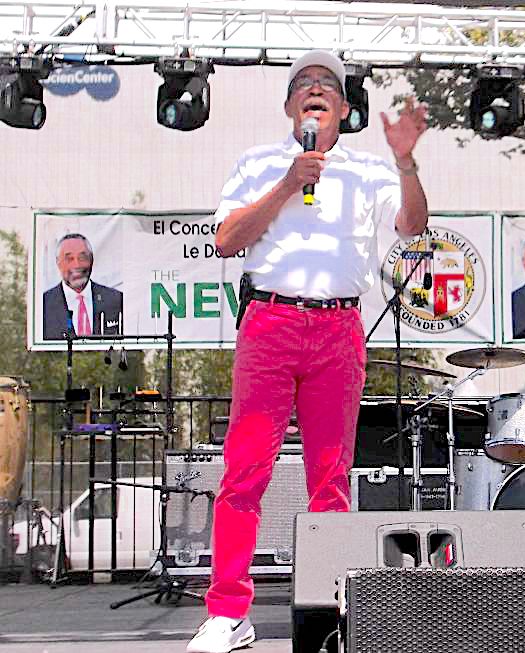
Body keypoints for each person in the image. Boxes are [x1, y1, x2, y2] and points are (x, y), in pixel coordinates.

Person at [186, 50, 428, 653]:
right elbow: (226, 239)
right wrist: (290, 181)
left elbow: (414, 229)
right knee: (245, 472)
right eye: (302, 86)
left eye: (326, 86)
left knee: (331, 476)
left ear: (345, 109)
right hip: (269, 323)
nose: (314, 90)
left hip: (338, 329)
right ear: (290, 107)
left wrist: (405, 161)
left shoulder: (372, 171)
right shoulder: (259, 162)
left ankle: (334, 604)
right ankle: (229, 613)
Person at [42, 233, 123, 340]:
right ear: (58, 262)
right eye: (69, 258)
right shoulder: (44, 305)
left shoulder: (116, 300)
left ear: (92, 260)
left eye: (82, 257)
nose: (77, 265)